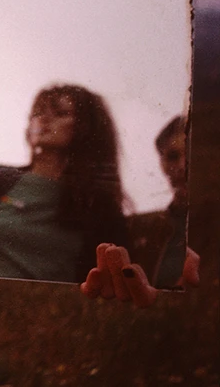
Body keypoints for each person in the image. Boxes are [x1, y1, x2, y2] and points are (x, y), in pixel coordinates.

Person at [0, 84, 130, 284]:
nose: (44, 119)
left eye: (61, 113)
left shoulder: (99, 204)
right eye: (37, 113)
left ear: (87, 127)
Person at [81, 116, 200, 307]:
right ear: (161, 164)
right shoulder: (138, 230)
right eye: (172, 156)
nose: (182, 166)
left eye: (192, 154)